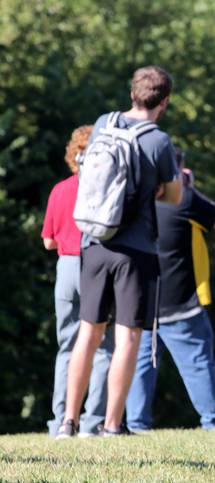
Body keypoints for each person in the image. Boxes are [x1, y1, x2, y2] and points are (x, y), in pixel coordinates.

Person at [58, 65, 183, 438]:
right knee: (128, 335)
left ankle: (69, 421)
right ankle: (112, 423)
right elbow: (175, 197)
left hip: (93, 242)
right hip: (136, 249)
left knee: (88, 332)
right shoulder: (159, 140)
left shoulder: (104, 122)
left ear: (132, 93)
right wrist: (158, 188)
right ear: (163, 102)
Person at [125, 149, 215, 431]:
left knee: (138, 366)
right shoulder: (183, 199)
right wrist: (188, 187)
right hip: (180, 301)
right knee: (197, 365)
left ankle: (135, 425)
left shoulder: (133, 198)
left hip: (139, 299)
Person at [42, 125, 114, 438]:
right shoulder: (101, 188)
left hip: (65, 269)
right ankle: (91, 420)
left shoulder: (59, 189)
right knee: (101, 346)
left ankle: (61, 420)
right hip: (94, 265)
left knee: (67, 346)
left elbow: (48, 241)